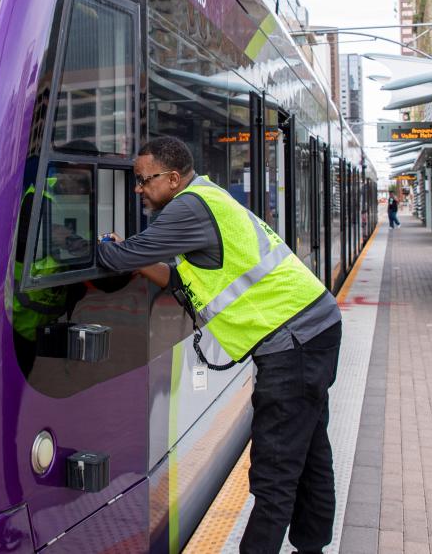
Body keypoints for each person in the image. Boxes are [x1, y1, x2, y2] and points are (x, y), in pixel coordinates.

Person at [97, 136, 341, 554]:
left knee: (274, 471)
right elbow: (178, 279)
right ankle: (312, 546)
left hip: (293, 341)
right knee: (311, 450)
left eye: (143, 180)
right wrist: (134, 257)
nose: (138, 189)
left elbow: (119, 258)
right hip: (312, 330)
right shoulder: (205, 199)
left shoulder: (188, 207)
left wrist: (103, 245)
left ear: (172, 178)